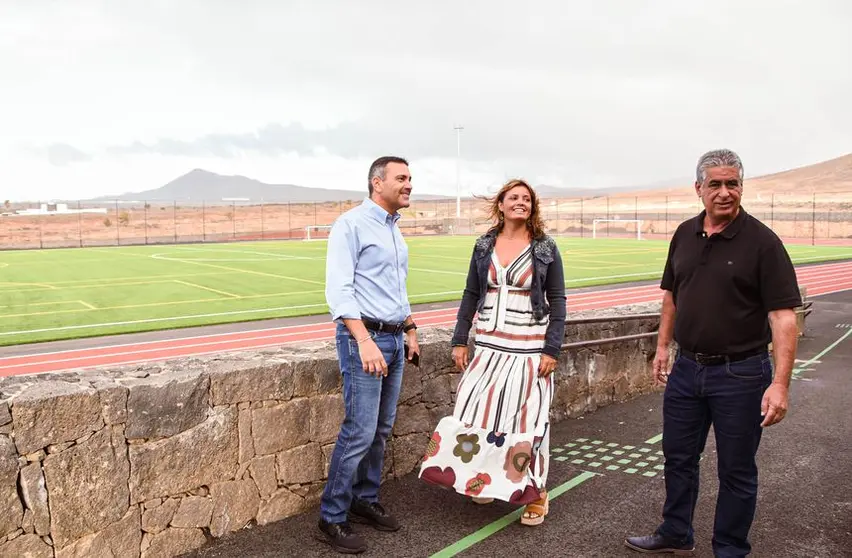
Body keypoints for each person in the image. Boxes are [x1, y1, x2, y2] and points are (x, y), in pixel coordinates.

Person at [625, 149, 801, 557]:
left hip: (741, 374)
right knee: (678, 457)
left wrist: (779, 384)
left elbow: (783, 318)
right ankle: (676, 532)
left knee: (736, 470)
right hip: (687, 369)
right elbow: (672, 296)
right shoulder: (684, 234)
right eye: (715, 184)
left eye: (732, 183)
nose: (724, 192)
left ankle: (729, 548)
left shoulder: (763, 243)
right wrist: (662, 347)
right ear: (698, 188)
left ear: (741, 186)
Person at [419, 179, 566, 527]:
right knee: (475, 413)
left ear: (533, 206)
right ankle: (482, 479)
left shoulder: (545, 248)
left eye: (526, 199)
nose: (520, 203)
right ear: (500, 204)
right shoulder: (484, 245)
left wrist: (551, 348)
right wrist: (460, 339)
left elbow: (558, 299)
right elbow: (471, 293)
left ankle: (536, 495)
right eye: (513, 197)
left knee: (526, 422)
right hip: (487, 346)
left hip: (528, 350)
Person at [317, 155, 421, 554]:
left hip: (395, 338)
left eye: (410, 178)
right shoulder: (351, 225)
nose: (409, 184)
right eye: (402, 178)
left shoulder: (394, 230)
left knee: (380, 429)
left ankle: (364, 498)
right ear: (378, 183)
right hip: (366, 339)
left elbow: (397, 287)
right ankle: (332, 516)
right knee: (359, 430)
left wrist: (410, 328)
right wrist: (363, 341)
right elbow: (339, 292)